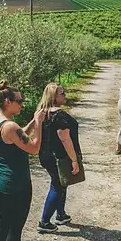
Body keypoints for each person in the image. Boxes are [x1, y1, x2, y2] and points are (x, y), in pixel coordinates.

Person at [0, 80, 46, 241]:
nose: (22, 103)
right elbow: (34, 148)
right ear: (7, 101)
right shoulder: (11, 126)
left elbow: (18, 135)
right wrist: (38, 124)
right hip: (16, 184)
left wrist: (31, 121)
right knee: (15, 228)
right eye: (19, 101)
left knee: (3, 222)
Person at [35, 83, 82, 233]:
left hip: (46, 155)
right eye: (62, 93)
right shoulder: (59, 115)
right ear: (54, 97)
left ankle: (60, 214)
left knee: (62, 181)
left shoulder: (42, 113)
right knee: (58, 185)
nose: (65, 95)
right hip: (60, 157)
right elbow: (65, 139)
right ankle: (44, 222)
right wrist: (74, 159)